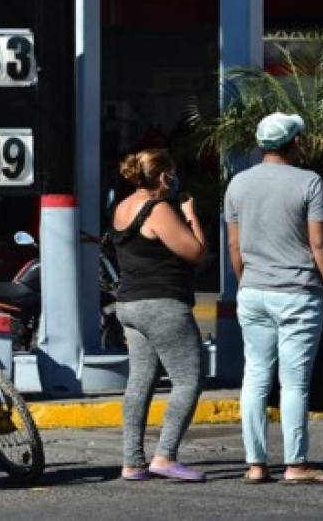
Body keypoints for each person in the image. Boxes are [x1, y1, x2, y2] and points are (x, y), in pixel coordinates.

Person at [225, 112, 323, 484]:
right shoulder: (310, 182)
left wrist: (246, 281)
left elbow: (233, 244)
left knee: (256, 377)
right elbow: (319, 243)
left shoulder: (238, 184)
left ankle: (255, 464)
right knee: (294, 383)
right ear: (295, 143)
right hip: (298, 293)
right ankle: (295, 463)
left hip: (254, 292)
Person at [111, 149, 206, 482]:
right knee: (189, 379)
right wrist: (191, 214)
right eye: (173, 171)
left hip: (130, 303)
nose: (176, 177)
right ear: (164, 176)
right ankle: (165, 456)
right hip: (162, 303)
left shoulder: (122, 206)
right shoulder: (159, 208)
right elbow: (195, 251)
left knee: (140, 381)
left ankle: (132, 461)